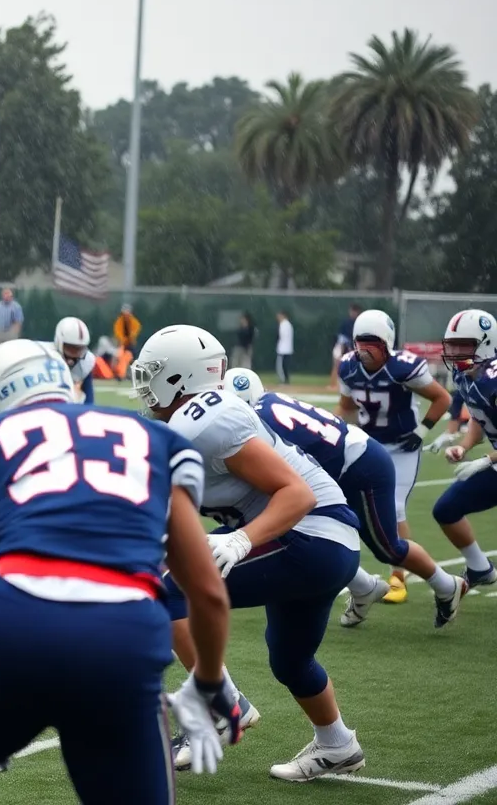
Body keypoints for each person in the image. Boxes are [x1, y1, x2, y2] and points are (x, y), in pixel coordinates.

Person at [0, 340, 236, 805]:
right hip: (123, 634)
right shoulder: (158, 441)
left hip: (10, 623)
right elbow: (208, 593)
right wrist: (209, 682)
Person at [132, 325, 364, 781]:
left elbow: (297, 495)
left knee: (162, 589)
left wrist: (240, 540)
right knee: (289, 659)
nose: (145, 385)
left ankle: (222, 706)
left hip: (311, 534)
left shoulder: (206, 418)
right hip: (324, 544)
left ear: (182, 377)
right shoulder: (192, 423)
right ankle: (338, 745)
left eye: (154, 374)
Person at [226, 368, 467, 628]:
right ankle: (364, 588)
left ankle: (446, 585)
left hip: (360, 466)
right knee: (309, 532)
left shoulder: (257, 421)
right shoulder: (271, 402)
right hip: (339, 466)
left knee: (387, 547)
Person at [336, 309, 451, 604]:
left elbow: (442, 398)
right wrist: (340, 435)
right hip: (368, 445)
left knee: (395, 508)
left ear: (387, 342)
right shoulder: (349, 366)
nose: (365, 348)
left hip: (402, 447)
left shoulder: (403, 367)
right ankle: (350, 575)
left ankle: (398, 577)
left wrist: (422, 431)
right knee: (341, 503)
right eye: (361, 341)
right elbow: (347, 407)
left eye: (373, 341)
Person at [429, 310, 497, 587]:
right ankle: (481, 568)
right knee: (446, 509)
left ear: (486, 343)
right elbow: (480, 420)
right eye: (452, 346)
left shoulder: (493, 379)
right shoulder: (468, 376)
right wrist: (463, 445)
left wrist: (485, 461)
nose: (456, 353)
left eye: (464, 346)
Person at [45, 316, 95, 404]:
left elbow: (89, 402)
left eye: (79, 349)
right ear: (59, 342)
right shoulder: (46, 358)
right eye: (70, 348)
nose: (75, 354)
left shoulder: (86, 362)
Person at [329, 304, 362, 389]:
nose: (353, 313)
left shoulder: (359, 323)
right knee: (337, 362)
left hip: (354, 347)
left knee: (354, 365)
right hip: (343, 345)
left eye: (355, 311)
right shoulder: (346, 322)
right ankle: (333, 384)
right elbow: (341, 338)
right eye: (352, 311)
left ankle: (352, 383)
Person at [112, 304, 141, 380]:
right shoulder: (119, 322)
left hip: (131, 345)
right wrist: (122, 340)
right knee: (121, 358)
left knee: (132, 359)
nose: (126, 314)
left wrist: (131, 336)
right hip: (122, 345)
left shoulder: (133, 321)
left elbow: (136, 328)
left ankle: (131, 374)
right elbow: (118, 333)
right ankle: (120, 374)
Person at [275, 310, 294, 384]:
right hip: (287, 349)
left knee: (281, 366)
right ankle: (286, 379)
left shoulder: (283, 324)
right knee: (285, 365)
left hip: (282, 349)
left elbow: (281, 336)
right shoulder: (288, 324)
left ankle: (284, 380)